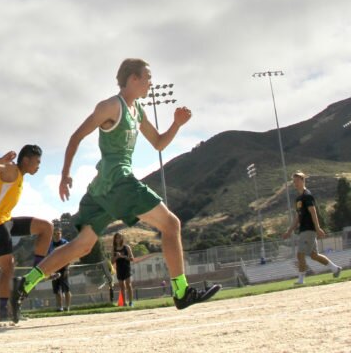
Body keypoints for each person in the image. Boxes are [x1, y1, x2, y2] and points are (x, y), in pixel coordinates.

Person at [12, 59, 220, 323]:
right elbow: (76, 136)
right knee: (171, 224)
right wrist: (64, 174)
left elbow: (157, 143)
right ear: (133, 78)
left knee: (82, 246)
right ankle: (181, 292)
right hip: (117, 181)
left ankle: (24, 284)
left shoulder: (138, 111)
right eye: (147, 77)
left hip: (102, 189)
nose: (150, 83)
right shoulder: (110, 106)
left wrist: (176, 124)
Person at [0, 146, 52, 323]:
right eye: (37, 162)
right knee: (8, 267)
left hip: (7, 221)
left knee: (46, 227)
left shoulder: (17, 175)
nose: (39, 166)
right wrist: (1, 160)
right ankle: (3, 310)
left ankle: (37, 271)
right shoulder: (11, 169)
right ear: (26, 160)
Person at [282, 171, 341, 284]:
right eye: (294, 181)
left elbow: (313, 212)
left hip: (309, 229)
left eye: (297, 180)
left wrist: (318, 228)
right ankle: (335, 269)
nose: (295, 183)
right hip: (304, 229)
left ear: (303, 180)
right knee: (314, 255)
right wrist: (289, 231)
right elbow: (298, 217)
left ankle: (301, 280)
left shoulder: (307, 195)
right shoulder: (298, 199)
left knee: (300, 254)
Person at [48, 226, 72, 312]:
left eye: (58, 233)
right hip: (54, 269)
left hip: (64, 268)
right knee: (57, 290)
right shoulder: (50, 245)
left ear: (61, 234)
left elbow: (70, 256)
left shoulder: (65, 243)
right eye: (54, 234)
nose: (56, 235)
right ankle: (60, 307)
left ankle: (67, 307)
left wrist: (67, 268)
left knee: (66, 289)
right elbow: (48, 258)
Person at [113, 232, 134, 306]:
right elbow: (112, 261)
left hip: (126, 268)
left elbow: (132, 258)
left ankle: (131, 302)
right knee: (122, 286)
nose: (118, 239)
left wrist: (123, 256)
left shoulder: (127, 247)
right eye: (117, 237)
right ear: (115, 239)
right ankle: (124, 303)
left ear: (122, 238)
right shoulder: (114, 249)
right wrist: (116, 257)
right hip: (119, 269)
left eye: (119, 237)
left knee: (128, 284)